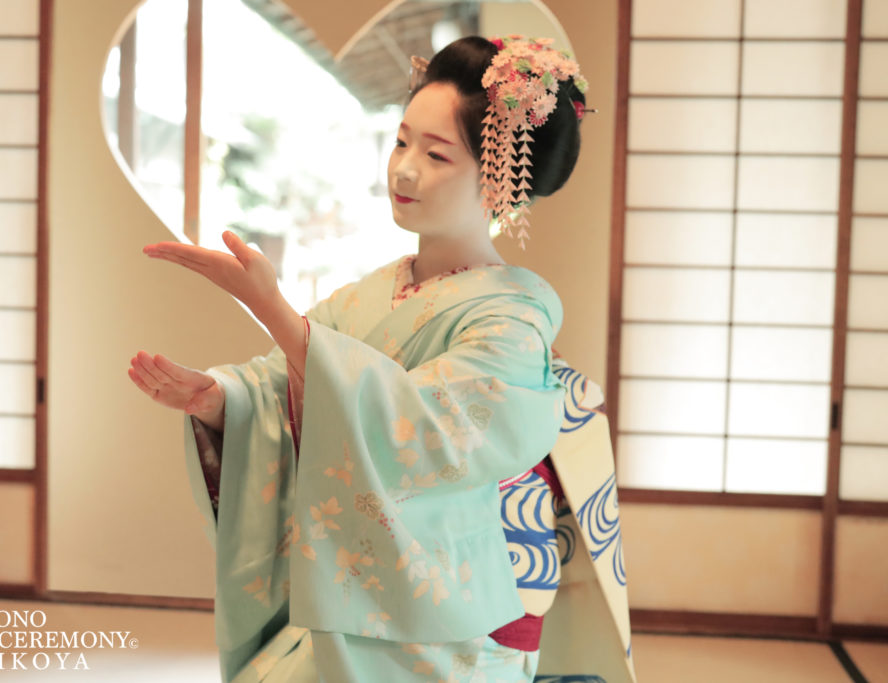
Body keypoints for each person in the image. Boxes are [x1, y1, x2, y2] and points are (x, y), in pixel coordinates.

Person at [129, 36, 635, 682]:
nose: (403, 170)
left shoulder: (514, 316)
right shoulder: (375, 291)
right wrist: (220, 399)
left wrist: (275, 311)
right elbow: (286, 380)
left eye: (435, 153)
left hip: (449, 620)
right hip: (354, 602)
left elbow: (419, 426)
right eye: (400, 143)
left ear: (499, 175)